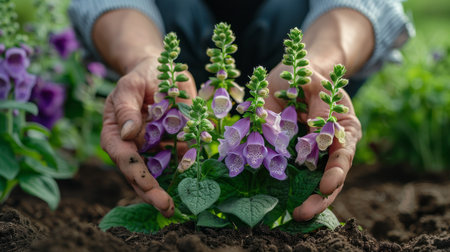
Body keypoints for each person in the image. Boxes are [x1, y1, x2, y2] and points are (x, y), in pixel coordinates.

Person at [68, 0, 413, 220]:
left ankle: (275, 163)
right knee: (179, 10)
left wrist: (317, 64)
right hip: (180, 68)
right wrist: (143, 59)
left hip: (292, 67)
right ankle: (182, 165)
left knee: (283, 12)